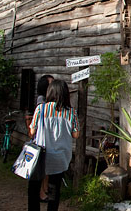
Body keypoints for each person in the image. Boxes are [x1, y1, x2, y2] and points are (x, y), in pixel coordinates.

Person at [28, 79, 79, 211]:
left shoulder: (41, 108)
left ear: (50, 92)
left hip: (41, 157)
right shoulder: (71, 112)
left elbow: (32, 131)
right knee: (54, 189)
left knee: (34, 187)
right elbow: (76, 134)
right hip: (60, 157)